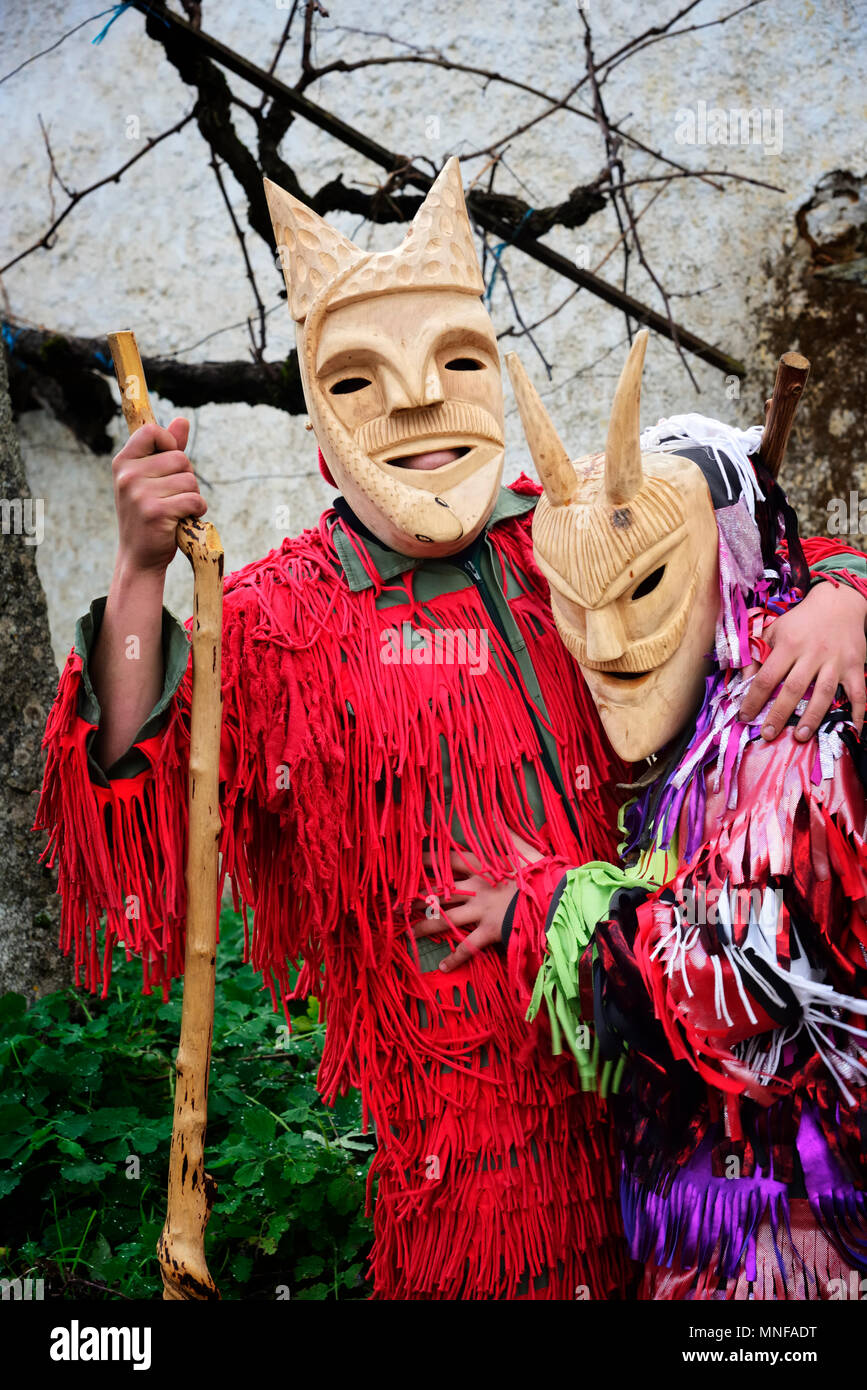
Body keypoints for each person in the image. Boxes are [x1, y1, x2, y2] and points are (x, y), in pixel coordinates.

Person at [36, 161, 867, 1300]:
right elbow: (137, 788)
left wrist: (845, 592)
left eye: (459, 359)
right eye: (364, 380)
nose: (423, 400)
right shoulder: (282, 619)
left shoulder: (564, 530)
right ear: (323, 428)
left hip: (685, 1105)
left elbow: (746, 564)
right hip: (479, 1169)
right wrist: (137, 573)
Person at [504, 332, 867, 1299]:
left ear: (731, 559)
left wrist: (545, 911)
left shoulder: (780, 715)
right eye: (578, 607)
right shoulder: (704, 721)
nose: (609, 643)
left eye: (645, 588)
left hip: (794, 1242)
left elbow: (740, 982)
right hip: (703, 1228)